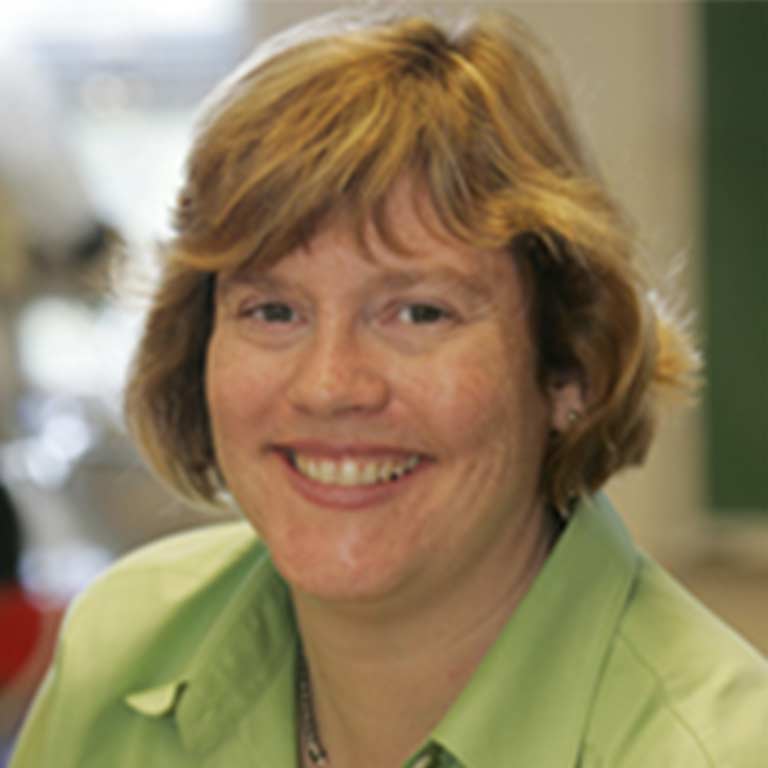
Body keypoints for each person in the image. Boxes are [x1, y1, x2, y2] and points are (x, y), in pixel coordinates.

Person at [10, 8, 768, 767]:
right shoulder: (123, 655)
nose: (329, 385)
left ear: (568, 365)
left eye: (419, 313)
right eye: (273, 311)